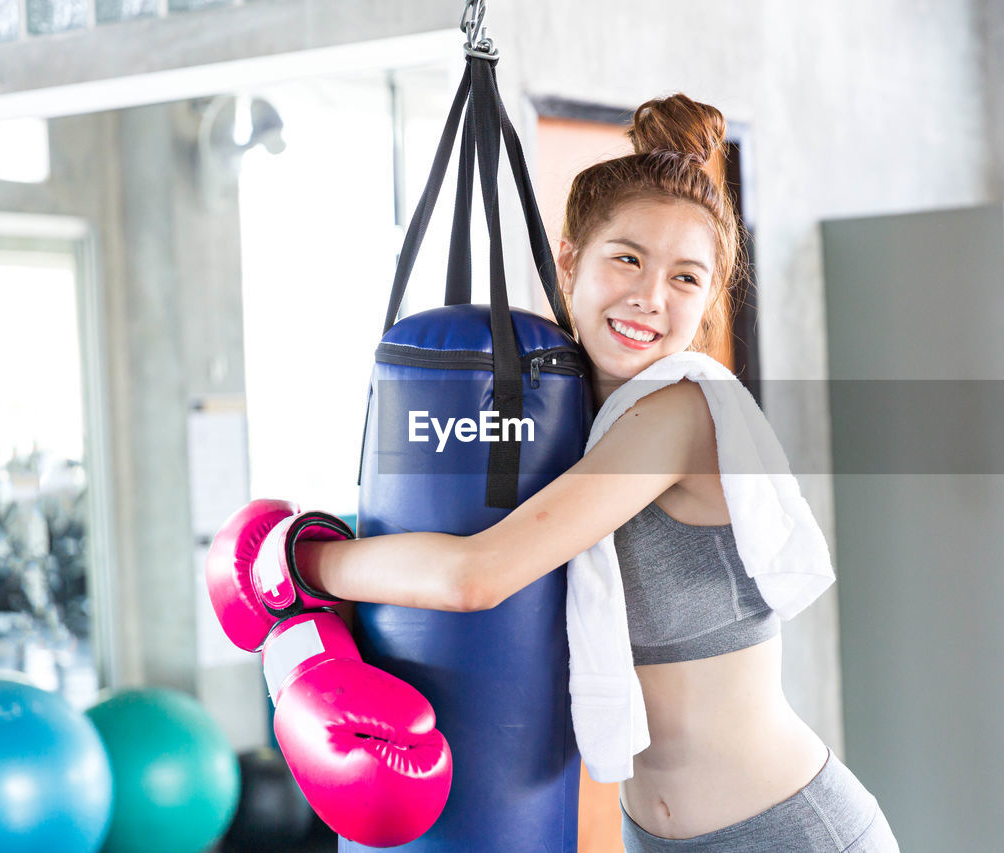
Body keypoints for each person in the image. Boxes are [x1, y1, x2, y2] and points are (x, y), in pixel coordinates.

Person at [293, 93, 900, 852]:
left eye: (687, 278)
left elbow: (476, 575)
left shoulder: (679, 413)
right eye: (628, 259)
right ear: (571, 259)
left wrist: (300, 558)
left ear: (710, 297)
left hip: (786, 833)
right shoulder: (562, 417)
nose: (650, 297)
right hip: (653, 837)